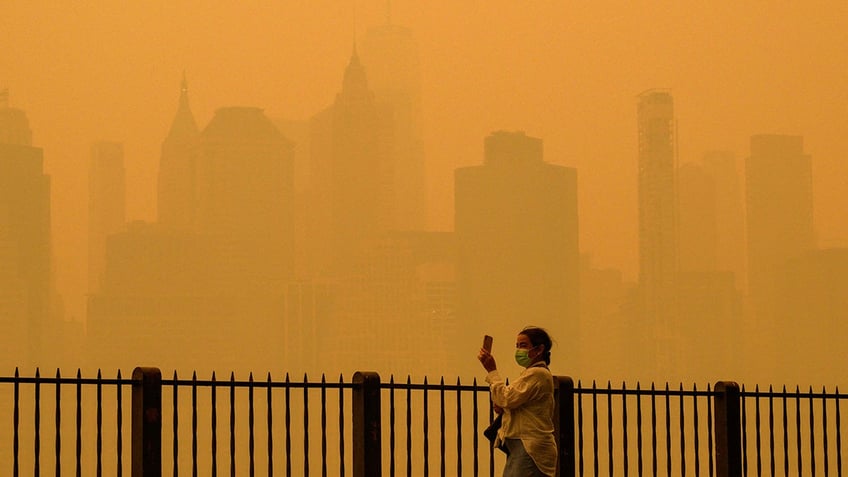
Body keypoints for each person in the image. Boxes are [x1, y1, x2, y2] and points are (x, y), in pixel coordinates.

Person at [478, 326, 557, 477]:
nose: (519, 350)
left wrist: (492, 371)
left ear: (539, 349)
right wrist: (505, 407)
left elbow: (506, 398)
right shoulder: (531, 374)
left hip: (529, 448)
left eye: (523, 345)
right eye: (517, 346)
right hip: (521, 447)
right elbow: (516, 403)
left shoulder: (538, 374)